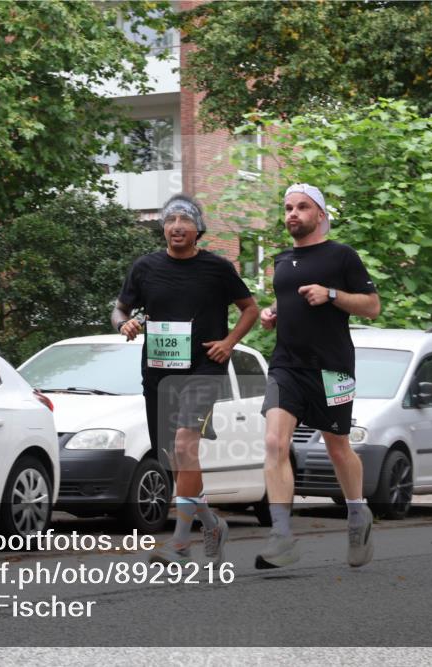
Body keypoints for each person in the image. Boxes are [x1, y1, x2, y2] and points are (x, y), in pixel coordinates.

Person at [112, 193, 258, 564]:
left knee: (183, 445)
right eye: (170, 220)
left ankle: (179, 543)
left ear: (198, 229)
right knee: (174, 459)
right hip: (159, 372)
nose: (177, 226)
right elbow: (119, 310)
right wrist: (124, 324)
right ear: (163, 228)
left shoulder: (217, 268)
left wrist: (229, 342)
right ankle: (211, 523)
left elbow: (250, 309)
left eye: (185, 220)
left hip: (203, 369)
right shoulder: (145, 267)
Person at [257, 183, 381, 569]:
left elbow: (372, 307)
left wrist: (331, 295)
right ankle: (281, 535)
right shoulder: (281, 261)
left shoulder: (341, 256)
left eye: (302, 207)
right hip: (286, 365)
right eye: (289, 207)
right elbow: (289, 298)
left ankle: (358, 514)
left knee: (337, 446)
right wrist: (272, 311)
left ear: (320, 215)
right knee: (276, 442)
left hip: (332, 367)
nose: (293, 214)